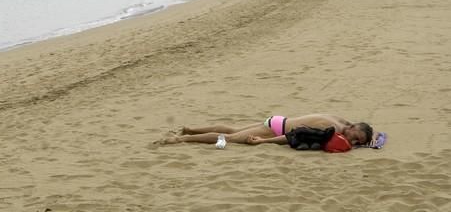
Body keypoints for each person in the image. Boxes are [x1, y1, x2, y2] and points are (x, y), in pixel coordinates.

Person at [155, 114, 374, 147]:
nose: (350, 142)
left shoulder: (340, 120)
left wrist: (370, 142)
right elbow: (294, 136)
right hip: (277, 129)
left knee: (233, 129)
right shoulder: (332, 129)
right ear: (352, 128)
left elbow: (366, 133)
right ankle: (182, 138)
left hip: (277, 119)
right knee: (229, 138)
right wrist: (263, 141)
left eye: (356, 142)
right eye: (353, 138)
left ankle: (191, 129)